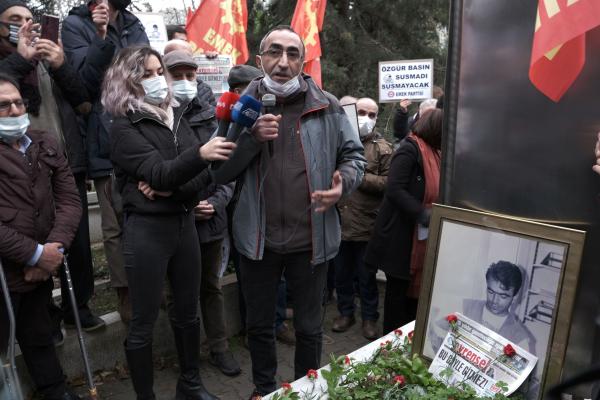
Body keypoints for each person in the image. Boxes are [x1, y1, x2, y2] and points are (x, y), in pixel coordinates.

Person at [226, 26, 366, 399]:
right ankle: (264, 389)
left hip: (312, 240)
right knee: (258, 326)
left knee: (308, 327)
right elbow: (220, 171)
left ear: (303, 63)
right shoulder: (241, 107)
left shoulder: (329, 105)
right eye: (275, 52)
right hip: (257, 240)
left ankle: (306, 390)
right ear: (260, 60)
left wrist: (342, 186)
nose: (283, 62)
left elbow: (355, 158)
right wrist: (250, 140)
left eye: (292, 54)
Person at [103, 45, 235, 400]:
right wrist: (195, 158)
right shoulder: (123, 126)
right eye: (146, 74)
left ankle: (189, 385)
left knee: (188, 313)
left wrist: (169, 186)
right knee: (143, 321)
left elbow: (200, 180)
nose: (157, 79)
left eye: (158, 71)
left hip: (183, 225)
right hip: (146, 231)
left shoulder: (175, 117)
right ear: (127, 80)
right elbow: (164, 171)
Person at [0, 1, 104, 336]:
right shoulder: (8, 61)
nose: (25, 25)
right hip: (17, 169)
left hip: (62, 158)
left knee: (75, 240)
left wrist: (60, 65)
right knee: (32, 241)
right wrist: (20, 57)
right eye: (14, 20)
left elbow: (84, 102)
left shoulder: (49, 58)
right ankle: (44, 315)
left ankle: (78, 306)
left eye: (29, 19)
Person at [62, 0, 150, 322]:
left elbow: (145, 67)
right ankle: (124, 291)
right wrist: (101, 38)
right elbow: (83, 82)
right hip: (103, 134)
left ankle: (151, 284)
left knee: (148, 212)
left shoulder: (133, 23)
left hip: (142, 127)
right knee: (114, 225)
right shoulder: (74, 25)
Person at [0, 73, 82, 400]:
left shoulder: (45, 141)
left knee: (39, 333)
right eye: (3, 105)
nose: (14, 109)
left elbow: (69, 200)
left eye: (18, 102)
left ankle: (54, 389)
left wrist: (52, 251)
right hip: (6, 269)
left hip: (43, 262)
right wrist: (34, 254)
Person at [163, 50, 242, 377]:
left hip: (211, 220)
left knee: (211, 286)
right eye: (176, 75)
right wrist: (185, 205)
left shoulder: (215, 117)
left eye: (190, 75)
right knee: (178, 293)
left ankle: (220, 348)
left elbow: (229, 168)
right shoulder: (157, 120)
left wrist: (218, 201)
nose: (184, 82)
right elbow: (158, 173)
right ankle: (187, 355)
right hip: (174, 222)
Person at [365, 108, 443, 334]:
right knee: (397, 297)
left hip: (418, 238)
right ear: (436, 129)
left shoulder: (435, 153)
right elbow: (395, 189)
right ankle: (390, 343)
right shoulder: (409, 150)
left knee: (412, 301)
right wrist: (422, 213)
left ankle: (409, 340)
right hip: (400, 238)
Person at [332, 97, 392, 340]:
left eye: (371, 114)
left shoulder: (383, 148)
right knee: (341, 275)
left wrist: (358, 175)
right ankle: (346, 313)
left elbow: (389, 184)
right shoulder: (339, 141)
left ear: (377, 118)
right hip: (339, 222)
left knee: (366, 277)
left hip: (366, 225)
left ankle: (369, 318)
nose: (366, 118)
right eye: (361, 112)